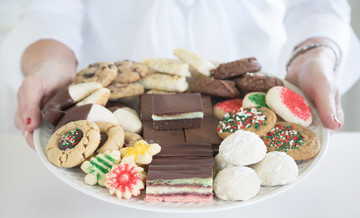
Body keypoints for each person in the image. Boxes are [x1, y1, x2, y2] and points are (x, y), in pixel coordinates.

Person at [0, 0, 359, 149]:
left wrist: (314, 54)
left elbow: (317, 6)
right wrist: (50, 63)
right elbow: (49, 10)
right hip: (105, 100)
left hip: (254, 101)